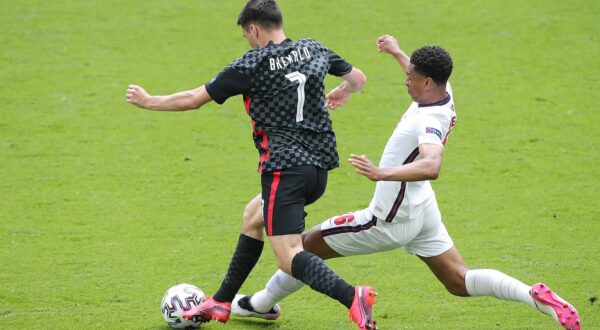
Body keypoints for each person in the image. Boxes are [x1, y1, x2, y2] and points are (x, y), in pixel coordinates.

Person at [229, 35, 581, 330]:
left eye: (411, 75)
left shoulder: (429, 121)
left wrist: (382, 173)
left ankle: (259, 304)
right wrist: (398, 53)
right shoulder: (443, 91)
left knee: (298, 251)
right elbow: (417, 77)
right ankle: (534, 295)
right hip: (422, 210)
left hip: (389, 218)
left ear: (428, 82)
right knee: (459, 281)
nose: (405, 78)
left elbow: (431, 164)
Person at [125, 1, 378, 329]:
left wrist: (148, 102)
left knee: (288, 257)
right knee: (252, 216)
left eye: (246, 35)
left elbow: (192, 99)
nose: (248, 41)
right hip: (317, 170)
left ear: (254, 29)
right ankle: (221, 301)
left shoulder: (252, 64)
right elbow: (358, 79)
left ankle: (352, 296)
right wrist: (344, 90)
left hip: (284, 169)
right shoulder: (314, 48)